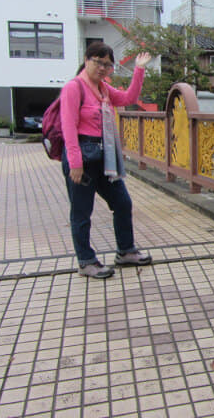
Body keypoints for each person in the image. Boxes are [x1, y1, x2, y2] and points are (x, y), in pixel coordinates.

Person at [60, 42, 152, 278]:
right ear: (86, 59)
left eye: (108, 65)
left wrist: (139, 69)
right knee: (81, 212)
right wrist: (75, 163)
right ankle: (86, 261)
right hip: (82, 155)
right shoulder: (74, 88)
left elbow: (129, 97)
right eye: (98, 62)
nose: (103, 68)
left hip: (104, 157)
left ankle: (125, 251)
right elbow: (68, 126)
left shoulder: (103, 89)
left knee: (122, 202)